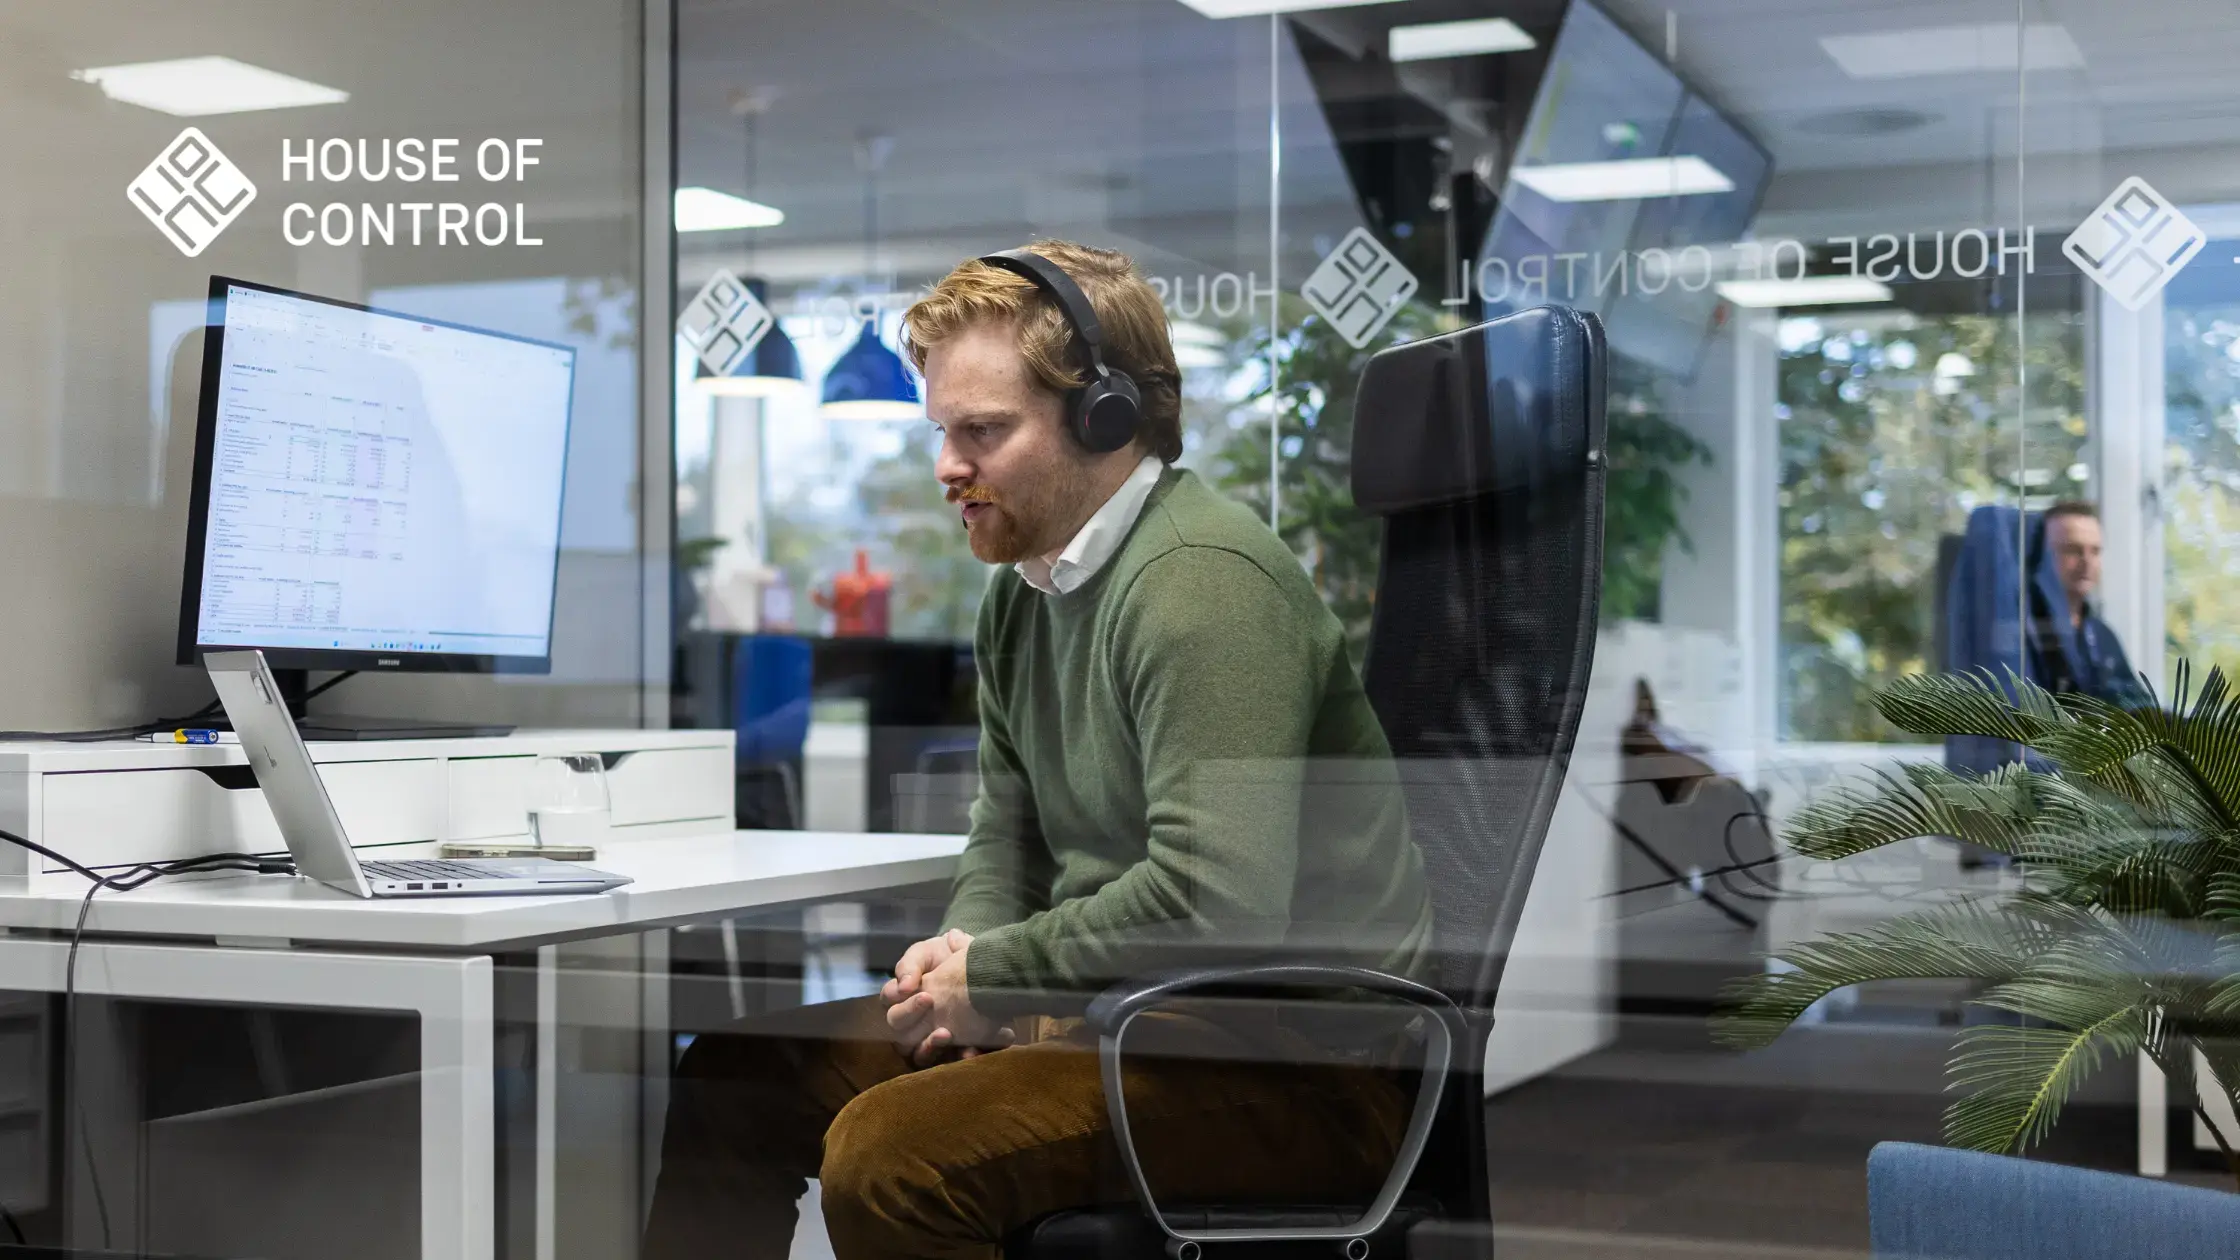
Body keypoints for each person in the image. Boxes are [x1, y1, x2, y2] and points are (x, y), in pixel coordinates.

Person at [642, 241, 1434, 1260]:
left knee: (894, 1155)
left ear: (1105, 419)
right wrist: (958, 977)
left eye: (982, 431)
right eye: (942, 431)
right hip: (1121, 1015)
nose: (946, 468)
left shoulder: (1201, 584)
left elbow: (1216, 899)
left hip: (1294, 1070)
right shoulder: (1025, 591)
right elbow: (1004, 829)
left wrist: (1001, 975)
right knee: (737, 1075)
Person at [2029, 501, 2149, 709]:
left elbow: (2137, 706)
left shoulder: (2101, 634)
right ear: (2042, 556)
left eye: (2095, 551)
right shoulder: (2025, 632)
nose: (2087, 561)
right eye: (2072, 550)